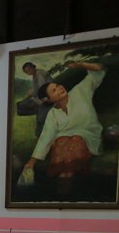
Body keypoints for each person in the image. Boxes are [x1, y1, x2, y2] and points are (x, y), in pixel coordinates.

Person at [19, 61, 105, 189]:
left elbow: (99, 70)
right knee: (61, 143)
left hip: (87, 135)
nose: (60, 88)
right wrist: (31, 162)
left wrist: (80, 65)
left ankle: (68, 182)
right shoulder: (53, 114)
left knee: (76, 141)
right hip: (64, 139)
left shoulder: (80, 91)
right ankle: (64, 182)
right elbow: (46, 137)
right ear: (48, 99)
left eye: (58, 85)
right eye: (54, 90)